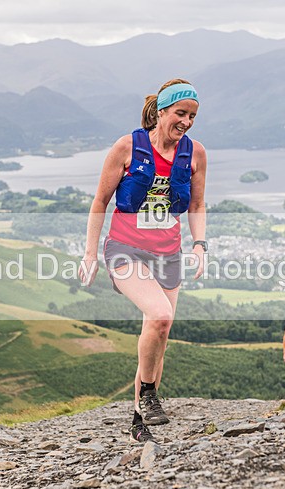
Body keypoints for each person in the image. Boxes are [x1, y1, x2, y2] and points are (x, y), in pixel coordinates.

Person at [79, 79, 207, 443]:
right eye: (180, 113)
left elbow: (196, 205)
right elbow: (100, 202)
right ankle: (149, 395)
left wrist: (199, 245)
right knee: (161, 315)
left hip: (169, 252)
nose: (186, 122)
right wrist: (90, 253)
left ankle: (139, 421)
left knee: (159, 335)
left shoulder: (195, 153)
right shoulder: (127, 147)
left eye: (193, 116)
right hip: (125, 248)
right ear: (162, 111)